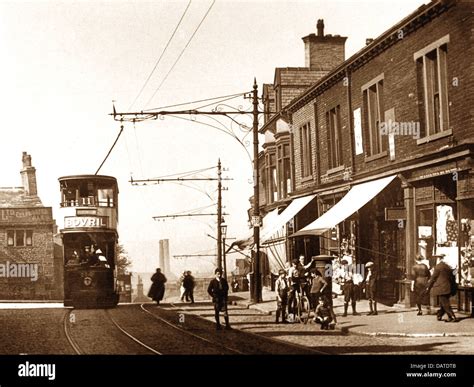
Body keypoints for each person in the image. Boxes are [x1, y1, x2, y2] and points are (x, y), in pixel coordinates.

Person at [425, 255, 458, 322]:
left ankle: (452, 317)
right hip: (448, 287)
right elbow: (452, 277)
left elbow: (433, 278)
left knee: (445, 303)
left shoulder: (438, 267)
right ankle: (439, 315)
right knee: (443, 303)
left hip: (441, 288)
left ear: (438, 259)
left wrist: (428, 286)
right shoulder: (447, 266)